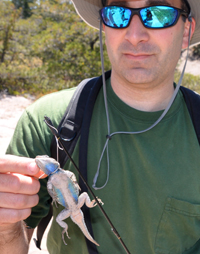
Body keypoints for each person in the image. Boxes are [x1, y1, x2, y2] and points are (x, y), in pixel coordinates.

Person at [0, 0, 200, 253]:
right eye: (117, 14)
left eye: (158, 14)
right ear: (104, 26)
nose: (135, 35)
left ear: (186, 31)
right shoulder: (48, 121)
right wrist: (5, 226)